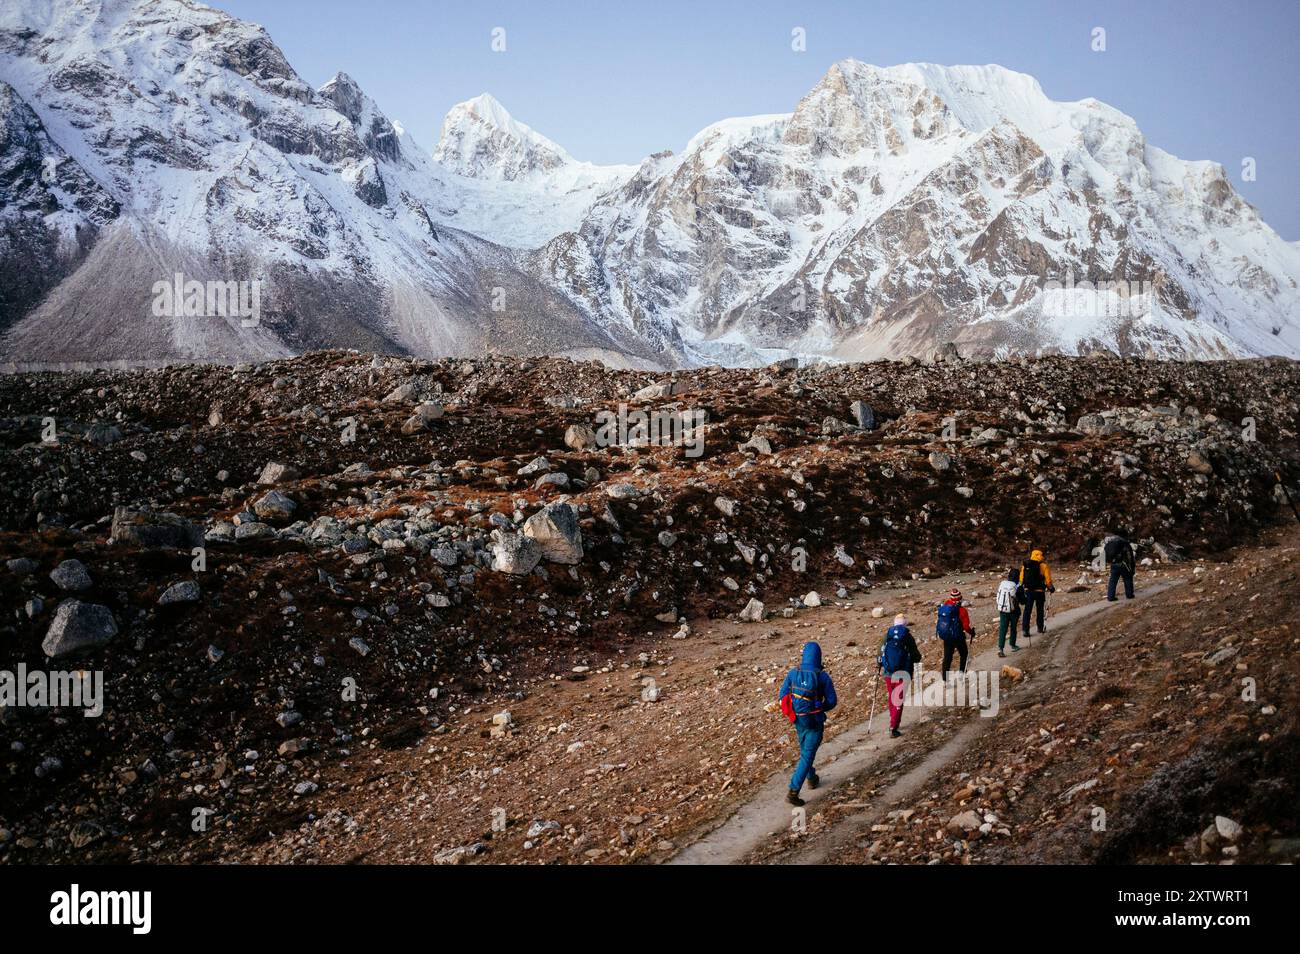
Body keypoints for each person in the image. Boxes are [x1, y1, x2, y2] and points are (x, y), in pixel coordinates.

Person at [779, 641, 838, 806]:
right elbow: (832, 701)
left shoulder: (793, 673)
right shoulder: (822, 676)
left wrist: (794, 709)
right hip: (815, 721)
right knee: (807, 754)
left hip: (798, 719)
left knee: (806, 751)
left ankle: (811, 778)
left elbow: (783, 694)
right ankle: (793, 791)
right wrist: (821, 707)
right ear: (819, 657)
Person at [878, 614, 922, 738]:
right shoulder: (907, 636)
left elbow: (879, 652)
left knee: (892, 697)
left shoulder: (887, 635)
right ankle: (893, 727)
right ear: (905, 624)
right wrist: (917, 659)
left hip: (888, 673)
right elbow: (915, 655)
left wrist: (880, 663)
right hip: (903, 673)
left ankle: (893, 721)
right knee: (898, 699)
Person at [936, 588, 975, 681]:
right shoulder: (962, 610)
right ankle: (962, 673)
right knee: (963, 653)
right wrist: (971, 632)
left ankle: (945, 679)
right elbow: (965, 627)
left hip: (947, 636)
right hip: (958, 636)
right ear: (960, 598)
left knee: (947, 657)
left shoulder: (945, 606)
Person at [1019, 548, 1054, 638]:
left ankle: (1025, 630)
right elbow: (1048, 580)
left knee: (1027, 610)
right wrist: (1051, 588)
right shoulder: (1044, 566)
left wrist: (1023, 587)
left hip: (1028, 591)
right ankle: (1040, 628)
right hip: (1039, 591)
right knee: (1040, 610)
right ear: (1040, 555)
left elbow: (1021, 579)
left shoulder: (1025, 565)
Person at [995, 568, 1021, 657]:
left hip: (1002, 609)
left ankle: (1000, 648)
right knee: (1013, 628)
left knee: (1003, 628)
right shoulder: (1017, 586)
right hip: (1014, 610)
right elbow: (1022, 600)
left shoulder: (1002, 584)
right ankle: (1013, 645)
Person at [1105, 532, 1136, 600]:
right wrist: (1132, 567)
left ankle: (1110, 597)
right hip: (1124, 565)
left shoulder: (1111, 542)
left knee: (1113, 581)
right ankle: (1129, 595)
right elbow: (1130, 556)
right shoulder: (1125, 543)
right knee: (1127, 578)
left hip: (1113, 564)